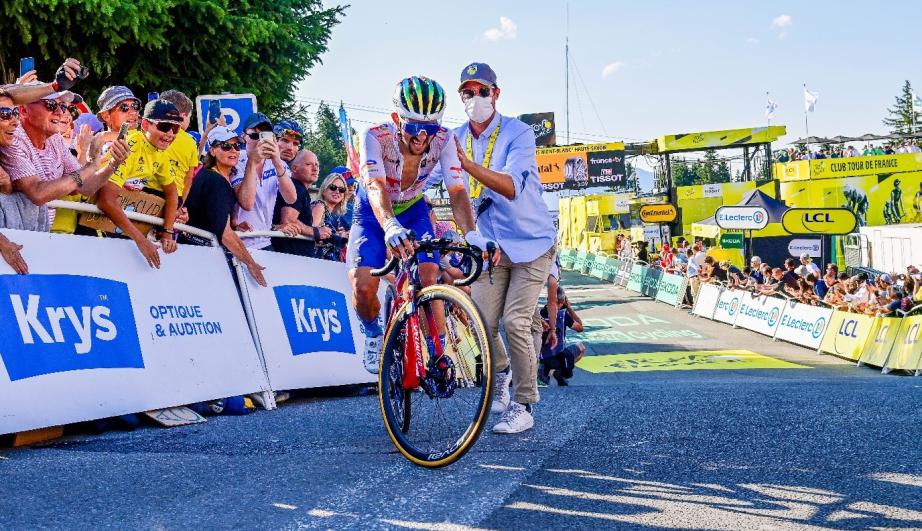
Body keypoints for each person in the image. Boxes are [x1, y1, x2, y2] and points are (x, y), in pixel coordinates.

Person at [347, 75, 486, 377]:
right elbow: (375, 185)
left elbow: (457, 191)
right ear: (397, 118)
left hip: (413, 208)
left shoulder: (445, 139)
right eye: (413, 127)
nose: (422, 136)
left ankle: (437, 353)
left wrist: (472, 235)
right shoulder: (374, 136)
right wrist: (389, 225)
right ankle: (373, 333)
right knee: (363, 287)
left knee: (429, 274)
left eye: (430, 127)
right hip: (372, 211)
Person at [452, 62, 556, 434]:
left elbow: (511, 187)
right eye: (468, 92)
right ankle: (501, 374)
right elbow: (445, 186)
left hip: (532, 243)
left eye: (482, 91)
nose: (475, 98)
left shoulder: (519, 132)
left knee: (516, 322)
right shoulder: (454, 138)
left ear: (496, 93)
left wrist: (466, 165)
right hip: (492, 246)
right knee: (481, 321)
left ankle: (524, 405)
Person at [95, 99, 181, 268]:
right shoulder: (131, 146)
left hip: (117, 223)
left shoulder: (160, 151)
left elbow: (172, 193)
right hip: (95, 225)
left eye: (176, 128)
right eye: (164, 126)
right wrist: (141, 240)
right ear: (146, 125)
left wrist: (168, 232)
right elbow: (105, 201)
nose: (171, 134)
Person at [181, 126, 266, 286]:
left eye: (237, 146)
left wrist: (233, 225)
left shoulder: (213, 176)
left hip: (194, 250)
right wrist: (251, 263)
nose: (233, 150)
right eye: (226, 146)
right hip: (199, 255)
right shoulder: (216, 182)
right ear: (212, 151)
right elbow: (225, 234)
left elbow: (208, 215)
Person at [232, 115, 298, 250]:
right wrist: (252, 161)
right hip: (240, 240)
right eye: (254, 136)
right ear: (244, 137)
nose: (260, 141)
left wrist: (277, 161)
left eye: (265, 136)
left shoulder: (278, 163)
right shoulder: (236, 160)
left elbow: (291, 198)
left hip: (264, 240)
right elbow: (247, 203)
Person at [271, 149, 330, 257]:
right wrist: (316, 232)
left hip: (293, 256)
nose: (315, 168)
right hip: (291, 258)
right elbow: (288, 221)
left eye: (317, 165)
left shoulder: (300, 189)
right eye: (309, 164)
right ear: (294, 168)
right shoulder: (296, 188)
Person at [537, 286, 584, 387]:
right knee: (581, 347)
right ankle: (560, 372)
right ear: (563, 301)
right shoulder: (563, 316)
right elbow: (580, 328)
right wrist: (569, 308)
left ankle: (544, 371)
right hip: (559, 356)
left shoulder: (539, 314)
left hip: (539, 356)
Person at [159, 89, 200, 202]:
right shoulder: (190, 142)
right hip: (175, 197)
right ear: (182, 116)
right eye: (189, 117)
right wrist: (181, 203)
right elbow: (189, 178)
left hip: (146, 191)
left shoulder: (151, 131)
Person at [311, 172, 350, 261]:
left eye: (341, 190)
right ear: (324, 190)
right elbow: (310, 237)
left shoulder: (336, 216)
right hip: (316, 261)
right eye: (333, 187)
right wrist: (337, 236)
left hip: (331, 262)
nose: (337, 192)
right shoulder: (319, 206)